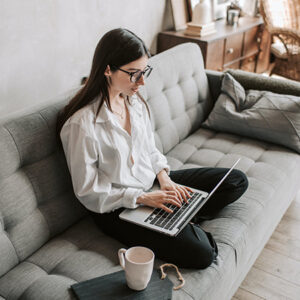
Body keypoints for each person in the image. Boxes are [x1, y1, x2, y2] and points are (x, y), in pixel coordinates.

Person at [57, 28, 248, 269]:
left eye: (144, 71)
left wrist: (165, 179)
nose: (143, 81)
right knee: (203, 254)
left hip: (152, 185)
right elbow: (88, 191)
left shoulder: (133, 101)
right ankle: (178, 219)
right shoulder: (81, 124)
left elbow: (150, 150)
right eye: (134, 74)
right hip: (117, 207)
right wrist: (143, 198)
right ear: (108, 69)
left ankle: (177, 215)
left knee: (236, 181)